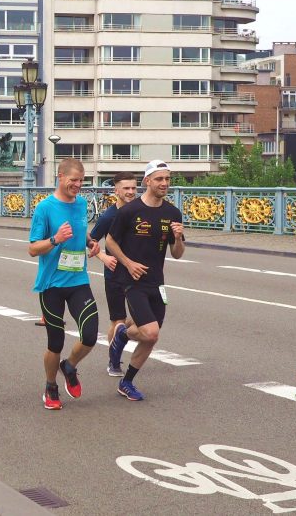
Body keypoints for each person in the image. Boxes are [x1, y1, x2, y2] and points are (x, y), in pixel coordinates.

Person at [106, 160, 186, 402]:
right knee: (151, 334)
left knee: (150, 333)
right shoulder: (129, 211)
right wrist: (128, 263)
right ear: (147, 181)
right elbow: (110, 241)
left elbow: (177, 253)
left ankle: (123, 348)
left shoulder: (172, 212)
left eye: (167, 179)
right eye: (159, 179)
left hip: (156, 282)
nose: (164, 183)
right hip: (131, 281)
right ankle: (126, 378)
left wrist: (179, 237)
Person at [27, 158, 101, 411]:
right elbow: (33, 249)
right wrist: (55, 239)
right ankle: (50, 386)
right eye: (74, 180)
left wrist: (91, 243)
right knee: (55, 341)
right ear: (60, 177)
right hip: (52, 285)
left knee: (90, 334)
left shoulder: (81, 204)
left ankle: (69, 366)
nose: (78, 185)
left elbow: (81, 232)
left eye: (82, 180)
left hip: (78, 279)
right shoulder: (45, 208)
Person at [89, 172, 139, 376]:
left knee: (143, 319)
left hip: (136, 274)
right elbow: (91, 240)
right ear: (116, 191)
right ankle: (114, 361)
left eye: (133, 188)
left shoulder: (140, 211)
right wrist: (102, 257)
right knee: (117, 321)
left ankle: (120, 338)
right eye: (126, 188)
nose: (130, 192)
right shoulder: (109, 216)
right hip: (115, 274)